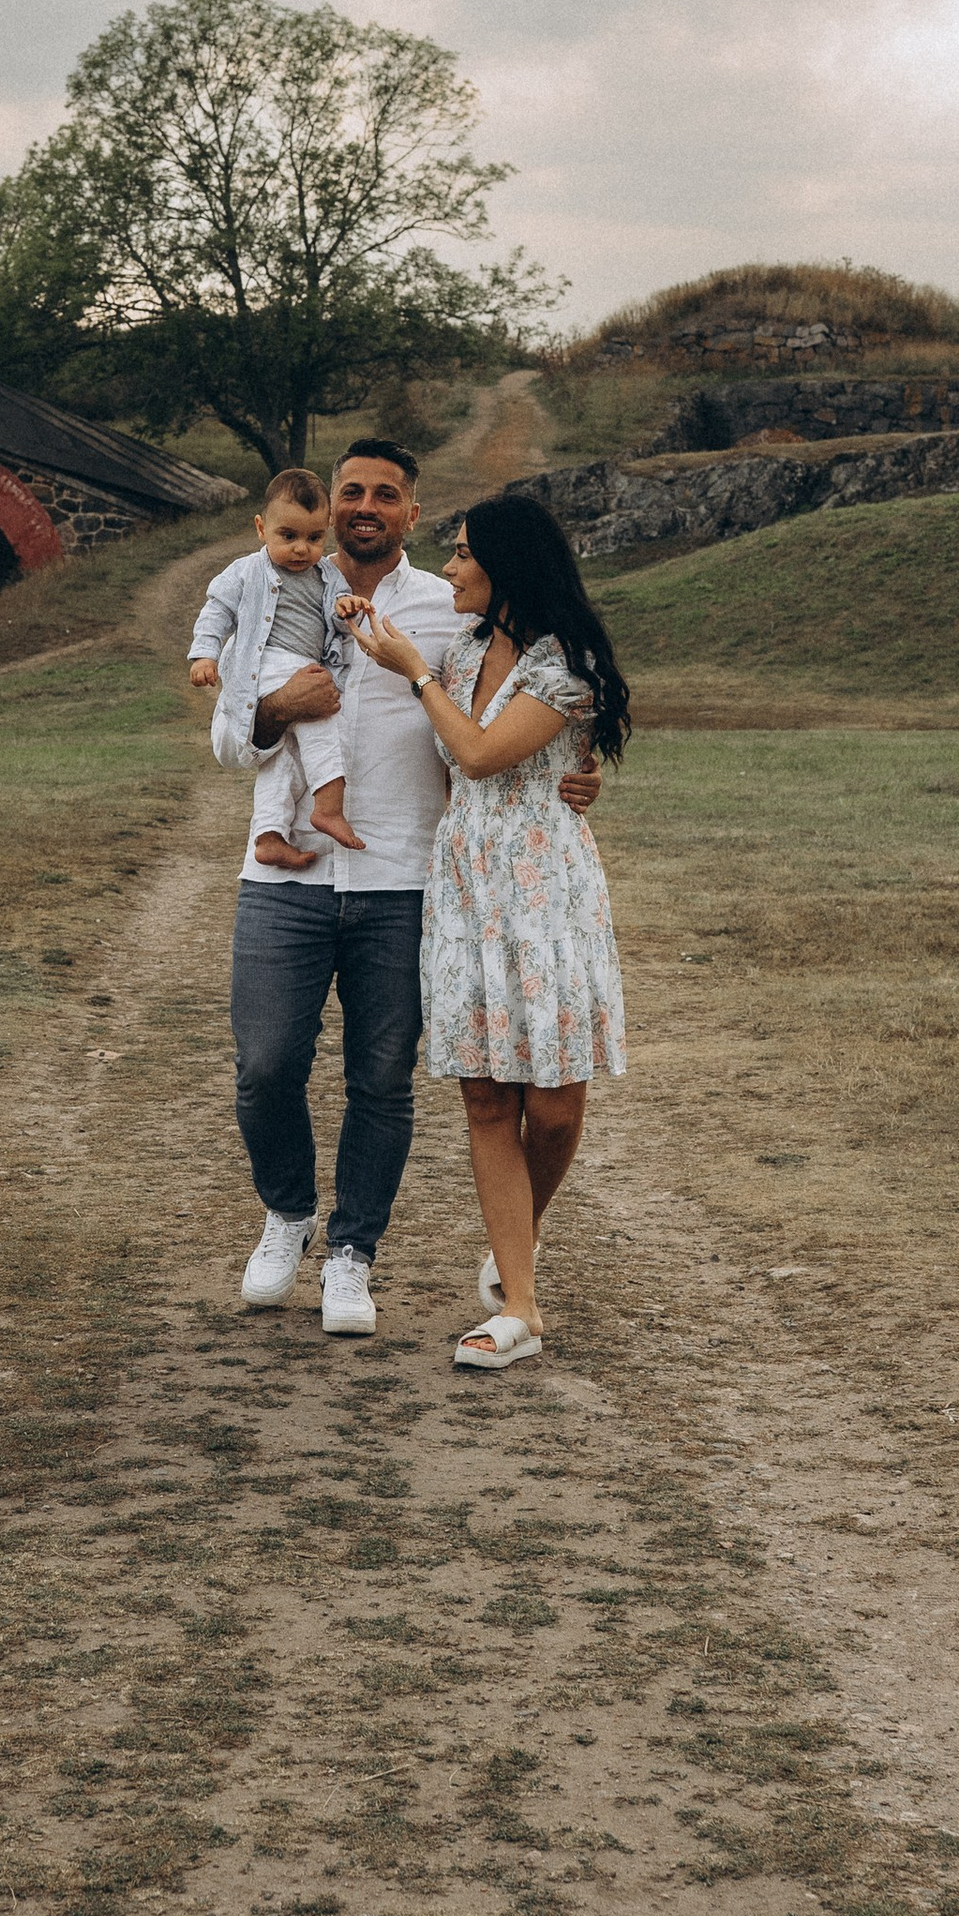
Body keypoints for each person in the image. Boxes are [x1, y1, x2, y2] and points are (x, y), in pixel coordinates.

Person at [212, 439, 600, 1338]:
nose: (365, 507)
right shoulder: (270, 593)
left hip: (405, 881)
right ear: (327, 501)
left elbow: (503, 714)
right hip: (286, 870)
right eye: (351, 490)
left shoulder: (448, 615)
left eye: (386, 495)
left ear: (412, 515)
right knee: (265, 1066)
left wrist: (577, 775)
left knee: (381, 1080)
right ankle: (288, 1212)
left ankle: (353, 1252)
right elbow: (229, 740)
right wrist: (277, 709)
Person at [350, 490, 629, 1371]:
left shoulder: (565, 664)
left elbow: (477, 753)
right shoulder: (464, 647)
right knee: (485, 1099)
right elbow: (452, 772)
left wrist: (414, 674)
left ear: (509, 565)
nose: (451, 568)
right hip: (466, 889)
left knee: (554, 1106)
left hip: (547, 893)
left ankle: (518, 1246)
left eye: (465, 552)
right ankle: (521, 1308)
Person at [187, 468, 364, 873]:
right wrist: (204, 656)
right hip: (265, 664)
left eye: (314, 538)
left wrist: (346, 609)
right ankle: (328, 807)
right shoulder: (246, 571)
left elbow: (338, 620)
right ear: (261, 528)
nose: (301, 549)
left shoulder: (328, 576)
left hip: (302, 666)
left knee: (284, 756)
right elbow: (217, 611)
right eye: (288, 536)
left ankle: (268, 835)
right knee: (321, 723)